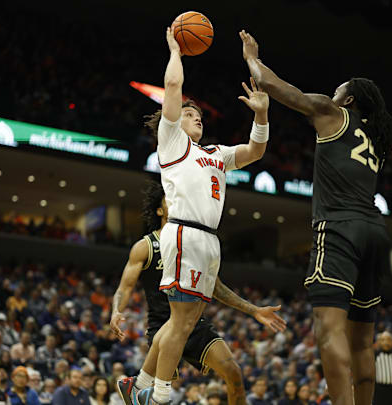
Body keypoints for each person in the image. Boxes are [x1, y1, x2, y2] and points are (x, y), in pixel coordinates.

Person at [240, 29, 392, 405]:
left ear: (350, 98)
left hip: (340, 228)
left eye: (339, 88)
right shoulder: (375, 138)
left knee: (329, 330)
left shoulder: (332, 111)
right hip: (375, 231)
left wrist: (251, 58)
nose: (333, 91)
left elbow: (274, 85)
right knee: (362, 342)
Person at [130, 25, 271, 405]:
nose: (198, 118)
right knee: (180, 320)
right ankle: (156, 396)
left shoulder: (215, 153)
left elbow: (255, 153)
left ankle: (141, 384)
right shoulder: (173, 143)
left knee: (188, 320)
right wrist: (175, 51)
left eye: (199, 116)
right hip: (185, 233)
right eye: (190, 115)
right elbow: (173, 89)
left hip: (209, 239)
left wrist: (262, 117)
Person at [113, 183, 285, 405]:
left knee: (234, 373)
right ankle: (137, 387)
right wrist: (116, 310)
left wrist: (254, 311)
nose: (177, 201)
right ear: (159, 210)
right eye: (170, 198)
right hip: (164, 327)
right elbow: (124, 288)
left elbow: (216, 287)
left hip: (195, 324)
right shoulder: (145, 246)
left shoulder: (192, 243)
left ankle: (137, 385)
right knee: (155, 397)